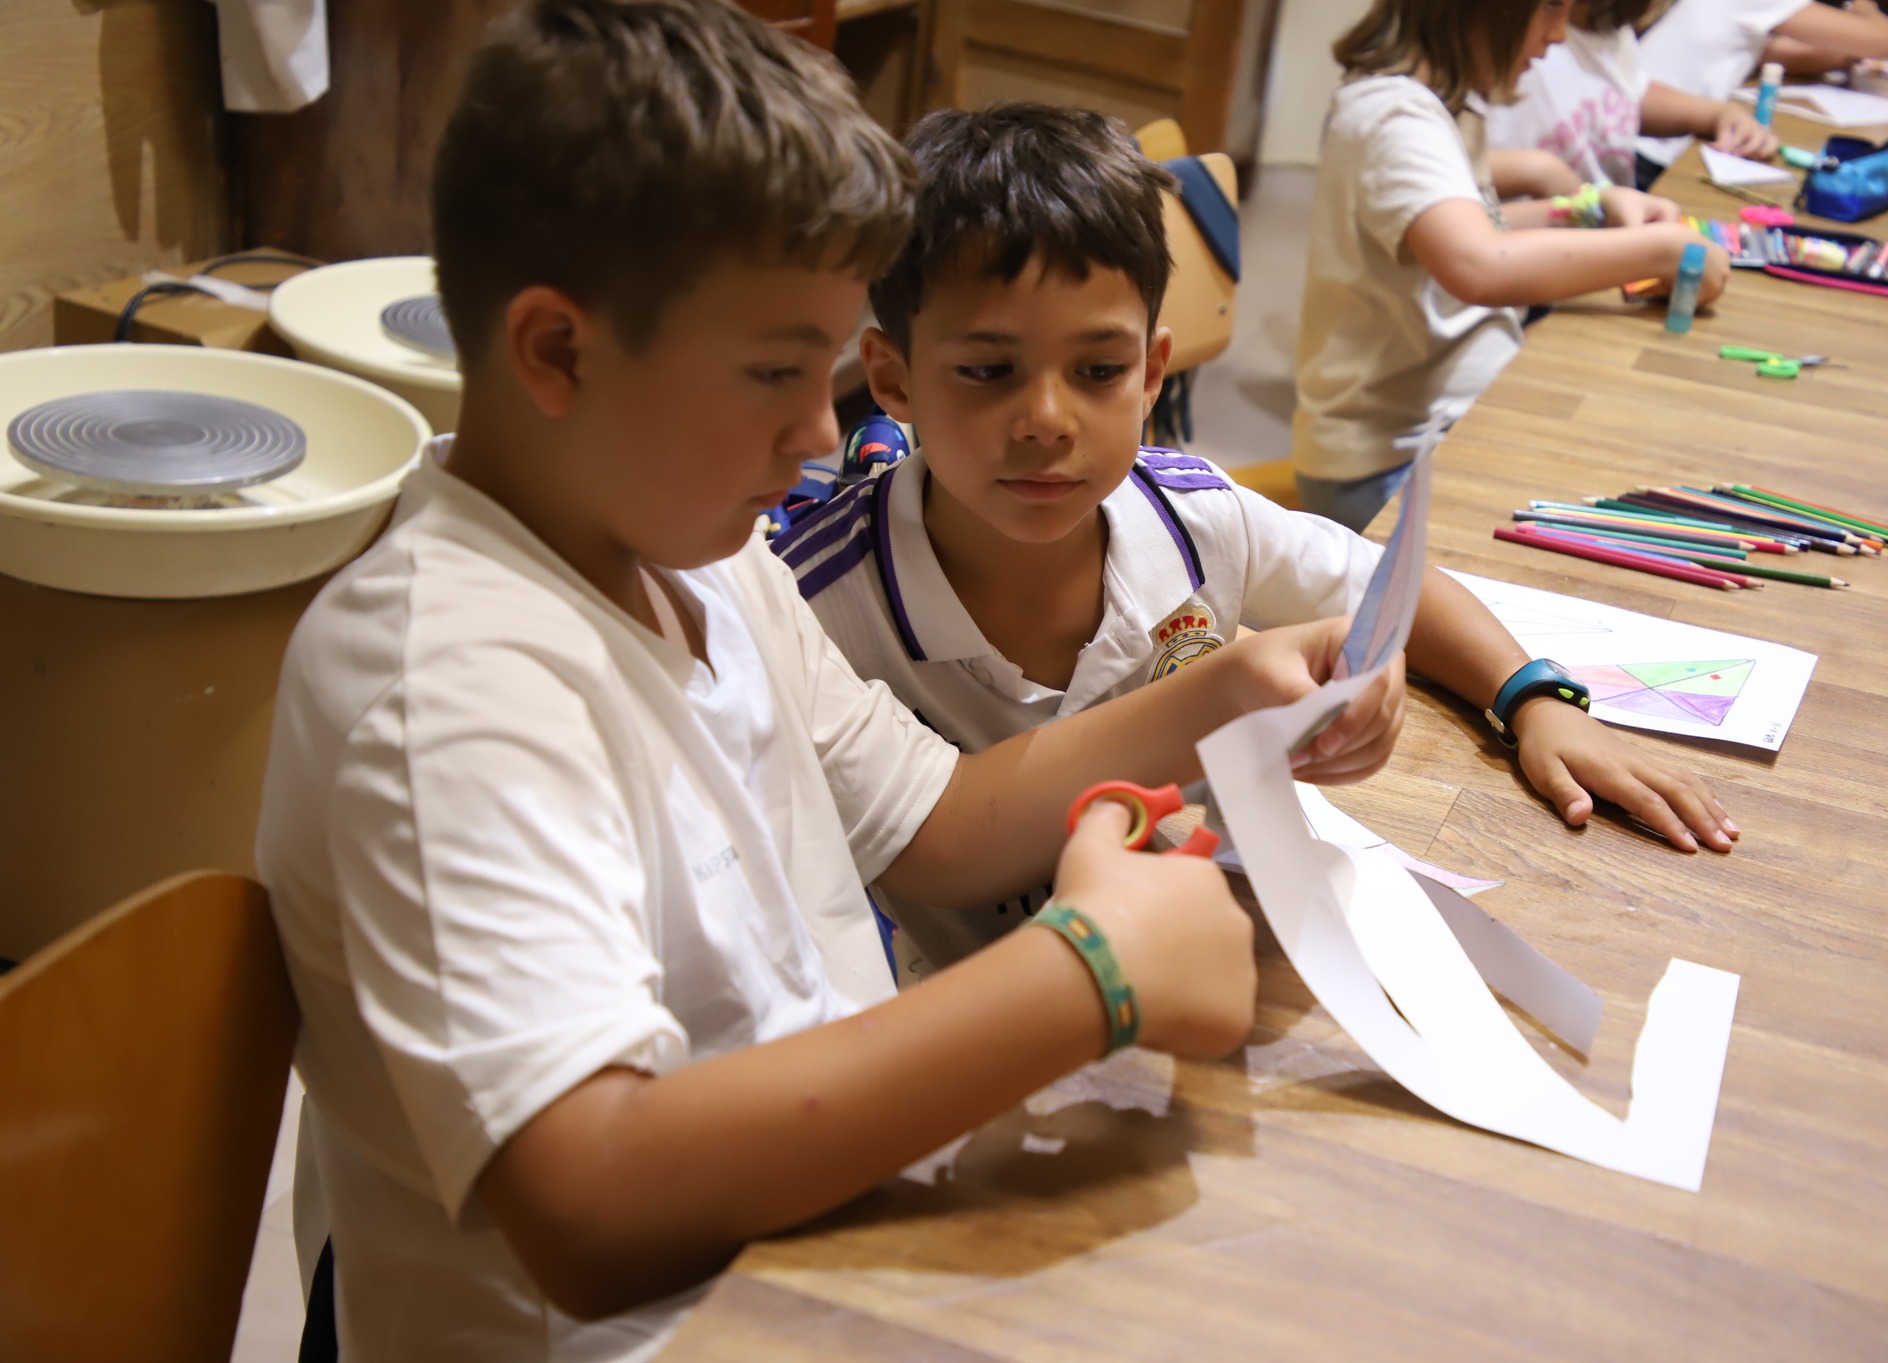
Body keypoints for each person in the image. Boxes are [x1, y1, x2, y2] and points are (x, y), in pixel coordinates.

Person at [253, 4, 1405, 1357]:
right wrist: (1090, 966)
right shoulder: (444, 683)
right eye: (775, 375)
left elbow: (942, 819)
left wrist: (1220, 690)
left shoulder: (695, 551)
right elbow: (589, 1202)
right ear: (557, 349)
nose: (821, 436)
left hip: (833, 1236)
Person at [779, 102, 1738, 977]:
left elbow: (1388, 593)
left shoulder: (1196, 516)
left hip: (1219, 958)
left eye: (1098, 368)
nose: (1045, 418)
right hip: (993, 1034)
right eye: (988, 370)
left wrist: (1536, 700)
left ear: (1152, 373)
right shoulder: (812, 606)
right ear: (893, 382)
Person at [1293, 0, 1730, 531]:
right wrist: (1663, 249)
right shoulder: (1395, 117)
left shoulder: (1433, 102)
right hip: (1387, 465)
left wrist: (1592, 208)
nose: (1557, 36)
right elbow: (1478, 264)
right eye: (1550, 10)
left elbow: (1478, 222)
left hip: (1437, 430)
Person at [1484, 0, 1780, 194]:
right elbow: (1445, 159)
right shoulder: (1514, 44)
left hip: (1598, 234)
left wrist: (1718, 113)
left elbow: (1624, 95)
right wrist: (1538, 171)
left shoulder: (1607, 26)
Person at [1636, 0, 1888, 183]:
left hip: (1644, 134)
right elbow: (1880, 40)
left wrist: (1842, 55)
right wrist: (1865, 8)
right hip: (1651, 151)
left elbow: (1771, 53)